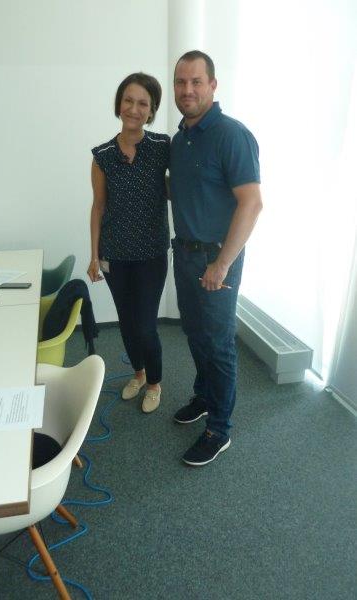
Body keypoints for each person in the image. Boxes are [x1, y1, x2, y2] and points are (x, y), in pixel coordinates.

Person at [170, 50, 262, 466]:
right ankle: (205, 397)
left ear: (212, 85)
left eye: (195, 81)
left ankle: (219, 429)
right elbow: (188, 191)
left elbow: (251, 203)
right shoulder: (180, 140)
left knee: (219, 343)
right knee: (194, 333)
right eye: (180, 82)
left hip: (216, 259)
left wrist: (221, 264)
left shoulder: (231, 135)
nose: (187, 90)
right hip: (185, 254)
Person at [87, 72, 170, 413]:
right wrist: (94, 255)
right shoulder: (103, 155)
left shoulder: (162, 147)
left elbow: (178, 187)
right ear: (119, 104)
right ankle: (138, 374)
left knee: (146, 326)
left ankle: (154, 383)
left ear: (151, 110)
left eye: (143, 104)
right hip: (115, 255)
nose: (134, 109)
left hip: (151, 253)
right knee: (126, 321)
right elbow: (98, 206)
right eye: (128, 101)